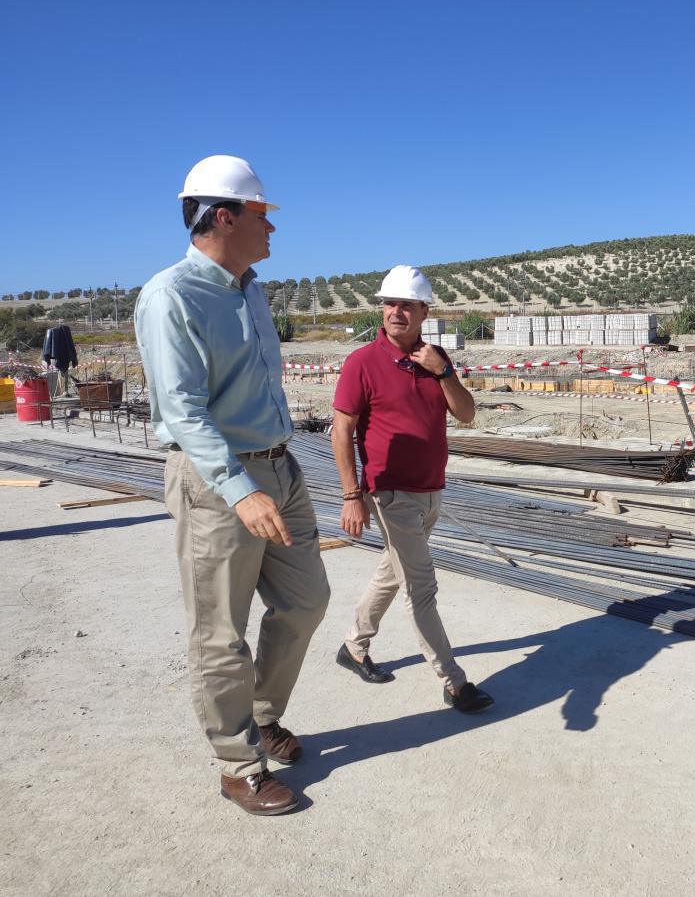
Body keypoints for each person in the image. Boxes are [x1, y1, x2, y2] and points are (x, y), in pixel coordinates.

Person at [135, 155, 331, 817]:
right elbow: (183, 410)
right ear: (225, 216)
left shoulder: (248, 290)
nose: (272, 230)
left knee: (305, 603)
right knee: (220, 632)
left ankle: (261, 712)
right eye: (262, 216)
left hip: (279, 466)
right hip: (219, 478)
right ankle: (237, 761)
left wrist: (279, 468)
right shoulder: (172, 297)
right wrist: (239, 487)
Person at [332, 265, 494, 714]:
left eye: (406, 305)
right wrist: (351, 495)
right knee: (420, 587)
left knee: (392, 570)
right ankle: (454, 682)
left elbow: (466, 414)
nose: (395, 312)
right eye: (389, 304)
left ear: (424, 311)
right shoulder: (361, 363)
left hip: (431, 491)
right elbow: (341, 430)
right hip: (390, 493)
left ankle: (354, 645)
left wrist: (443, 373)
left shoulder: (435, 357)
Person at [42, 318, 77, 397]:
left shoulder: (63, 333)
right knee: (60, 372)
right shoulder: (53, 333)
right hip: (56, 361)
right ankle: (63, 391)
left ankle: (65, 391)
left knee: (63, 372)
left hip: (61, 360)